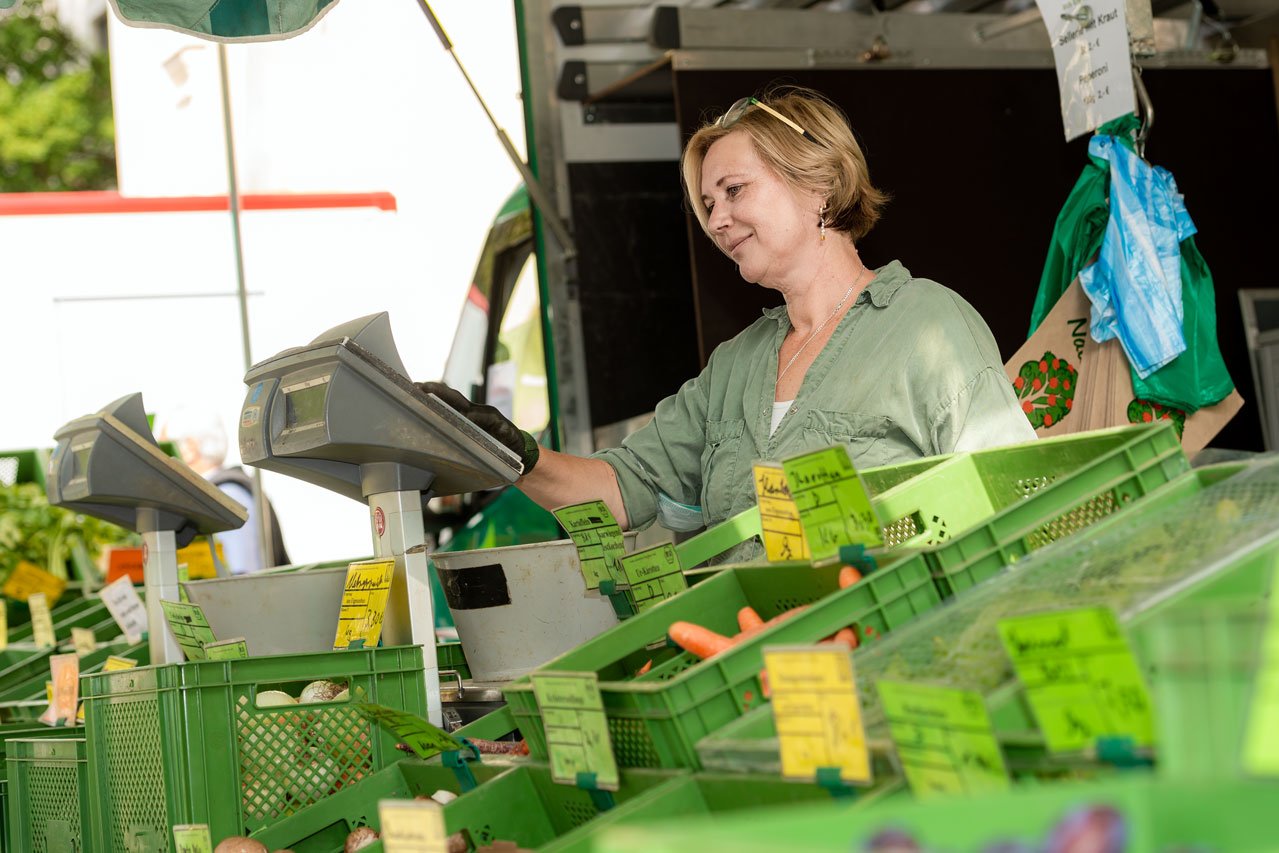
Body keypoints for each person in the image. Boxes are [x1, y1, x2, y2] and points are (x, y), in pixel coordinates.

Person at [422, 87, 1035, 561]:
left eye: (735, 190)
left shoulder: (927, 325)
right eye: (708, 205)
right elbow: (620, 489)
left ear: (818, 185)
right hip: (760, 679)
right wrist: (513, 453)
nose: (717, 221)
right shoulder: (736, 366)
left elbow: (1016, 499)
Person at [158, 408, 290, 574]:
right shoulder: (232, 488)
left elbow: (241, 574)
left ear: (190, 449)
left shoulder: (225, 496)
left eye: (165, 448)